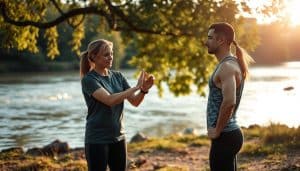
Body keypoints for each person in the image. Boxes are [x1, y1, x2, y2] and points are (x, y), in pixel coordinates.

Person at [80, 39, 154, 171]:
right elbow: (109, 100)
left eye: (111, 53)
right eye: (106, 54)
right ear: (93, 57)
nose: (110, 57)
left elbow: (135, 102)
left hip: (118, 137)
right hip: (97, 139)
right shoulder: (89, 80)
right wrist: (136, 87)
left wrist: (143, 90)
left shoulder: (118, 76)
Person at [205, 22, 254, 171]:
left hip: (225, 136)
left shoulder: (227, 67)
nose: (206, 42)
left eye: (210, 38)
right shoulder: (229, 63)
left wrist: (217, 130)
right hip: (228, 135)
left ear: (221, 41)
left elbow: (229, 101)